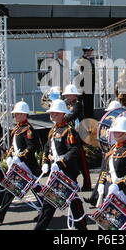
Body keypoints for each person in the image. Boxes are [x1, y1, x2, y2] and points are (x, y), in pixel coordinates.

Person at [0, 100, 42, 224]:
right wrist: (10, 154)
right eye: (15, 114)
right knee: (11, 189)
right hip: (19, 165)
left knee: (36, 190)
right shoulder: (18, 128)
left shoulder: (28, 129)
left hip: (27, 166)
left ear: (24, 114)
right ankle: (0, 214)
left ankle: (44, 212)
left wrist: (20, 156)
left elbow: (31, 147)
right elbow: (15, 146)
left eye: (17, 114)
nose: (15, 116)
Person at [35, 99, 87, 230]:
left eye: (56, 113)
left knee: (74, 204)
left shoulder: (68, 131)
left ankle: (82, 228)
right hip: (56, 173)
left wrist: (61, 163)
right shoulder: (53, 130)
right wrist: (45, 162)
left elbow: (74, 151)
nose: (52, 115)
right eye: (51, 113)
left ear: (63, 114)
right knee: (49, 205)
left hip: (67, 173)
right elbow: (47, 148)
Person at [97, 116, 126, 228]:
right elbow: (105, 170)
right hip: (109, 192)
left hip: (124, 194)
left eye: (120, 131)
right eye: (115, 131)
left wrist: (119, 185)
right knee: (105, 225)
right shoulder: (112, 149)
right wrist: (101, 184)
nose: (116, 133)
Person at [61, 84, 91, 191]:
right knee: (72, 162)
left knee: (82, 162)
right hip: (68, 135)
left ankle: (87, 184)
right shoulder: (66, 105)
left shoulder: (78, 105)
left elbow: (70, 116)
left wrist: (61, 117)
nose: (67, 96)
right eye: (66, 95)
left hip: (77, 136)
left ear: (74, 95)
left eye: (69, 94)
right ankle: (73, 183)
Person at [75, 46, 95, 119]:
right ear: (86, 52)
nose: (91, 53)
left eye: (91, 51)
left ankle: (90, 116)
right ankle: (86, 116)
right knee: (86, 101)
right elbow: (81, 72)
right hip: (85, 83)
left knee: (90, 100)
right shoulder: (81, 60)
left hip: (91, 83)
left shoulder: (90, 60)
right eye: (89, 51)